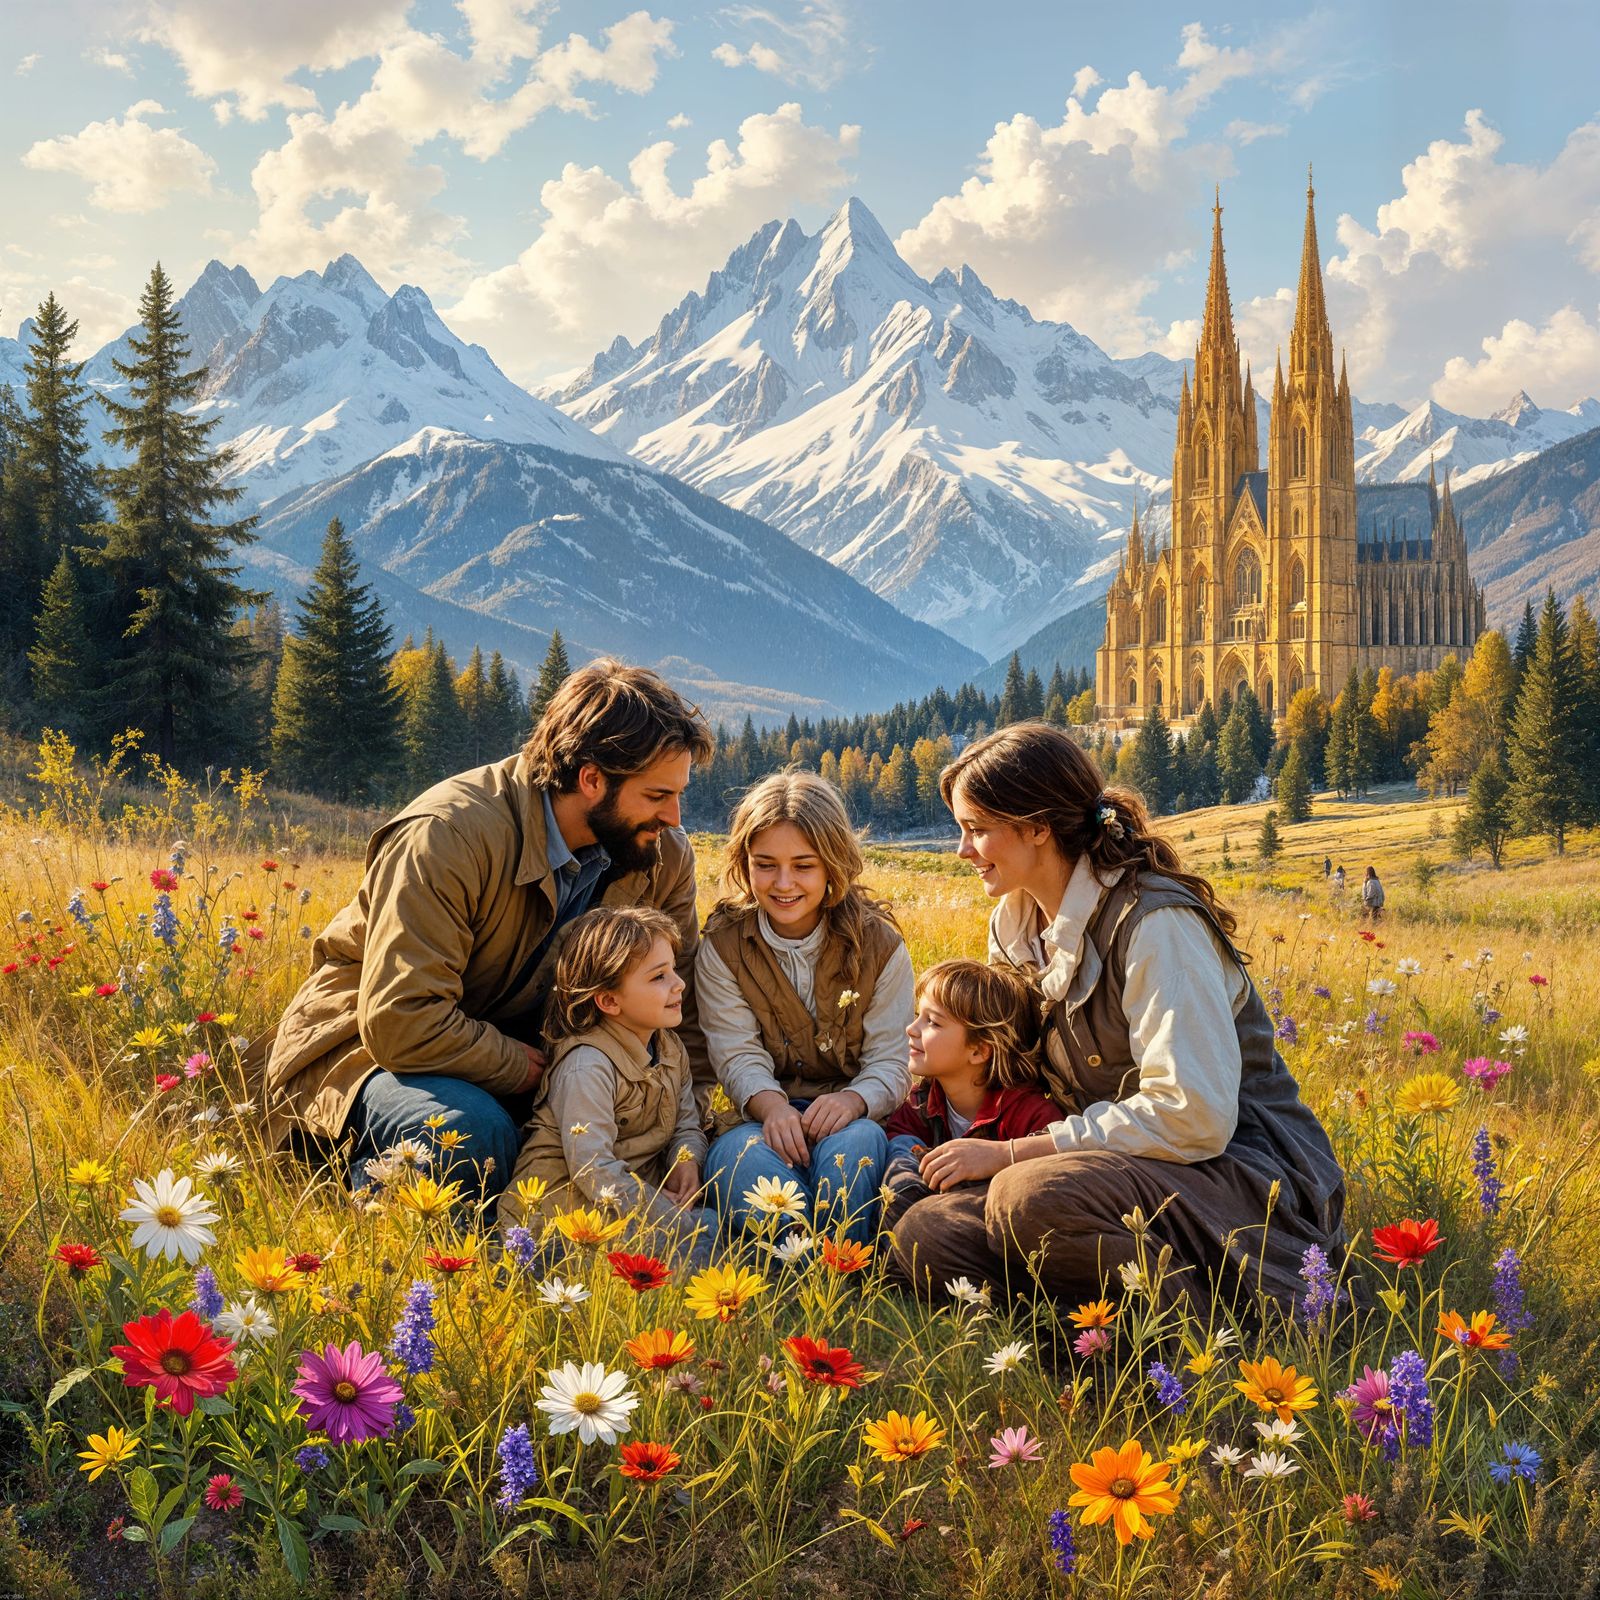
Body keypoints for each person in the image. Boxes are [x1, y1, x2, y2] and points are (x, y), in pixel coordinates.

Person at [888, 723, 1345, 1314]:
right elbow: (1005, 1060)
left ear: (1035, 828)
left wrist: (1011, 1156)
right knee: (928, 1229)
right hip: (1106, 1177)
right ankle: (1079, 1339)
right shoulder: (1016, 922)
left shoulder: (1156, 925)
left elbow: (1193, 1115)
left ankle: (1192, 1343)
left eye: (977, 830)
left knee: (1027, 1196)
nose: (962, 850)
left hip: (1242, 1175)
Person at [254, 659, 714, 1214]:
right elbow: (403, 1020)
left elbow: (676, 1000)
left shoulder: (661, 854)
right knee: (475, 1137)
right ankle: (370, 1210)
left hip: (533, 1055)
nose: (675, 815)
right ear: (592, 779)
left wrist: (686, 1123)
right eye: (657, 795)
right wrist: (533, 1070)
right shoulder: (449, 834)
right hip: (369, 1055)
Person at [698, 771, 913, 1246]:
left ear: (833, 865)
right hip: (763, 1117)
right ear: (744, 863)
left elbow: (892, 1059)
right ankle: (801, 1263)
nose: (783, 883)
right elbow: (734, 1052)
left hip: (853, 1115)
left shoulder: (880, 943)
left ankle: (838, 1262)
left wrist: (854, 1100)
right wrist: (772, 1106)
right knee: (737, 1159)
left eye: (804, 865)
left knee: (852, 1152)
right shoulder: (723, 944)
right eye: (765, 865)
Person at [500, 907, 711, 1258]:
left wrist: (686, 1162)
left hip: (628, 1204)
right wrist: (664, 1214)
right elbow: (593, 1168)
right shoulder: (588, 1064)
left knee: (720, 1226)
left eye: (673, 969)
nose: (679, 983)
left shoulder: (671, 1049)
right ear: (609, 1000)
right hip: (561, 1219)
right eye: (659, 977)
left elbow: (686, 1123)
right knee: (704, 1240)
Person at [881, 959, 1061, 1234]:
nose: (912, 1028)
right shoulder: (922, 1102)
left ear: (979, 1051)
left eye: (932, 1022)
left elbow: (1049, 1185)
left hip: (992, 1229)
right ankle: (897, 1238)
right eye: (919, 1015)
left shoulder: (1028, 1113)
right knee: (901, 1146)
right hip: (928, 1223)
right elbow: (897, 1136)